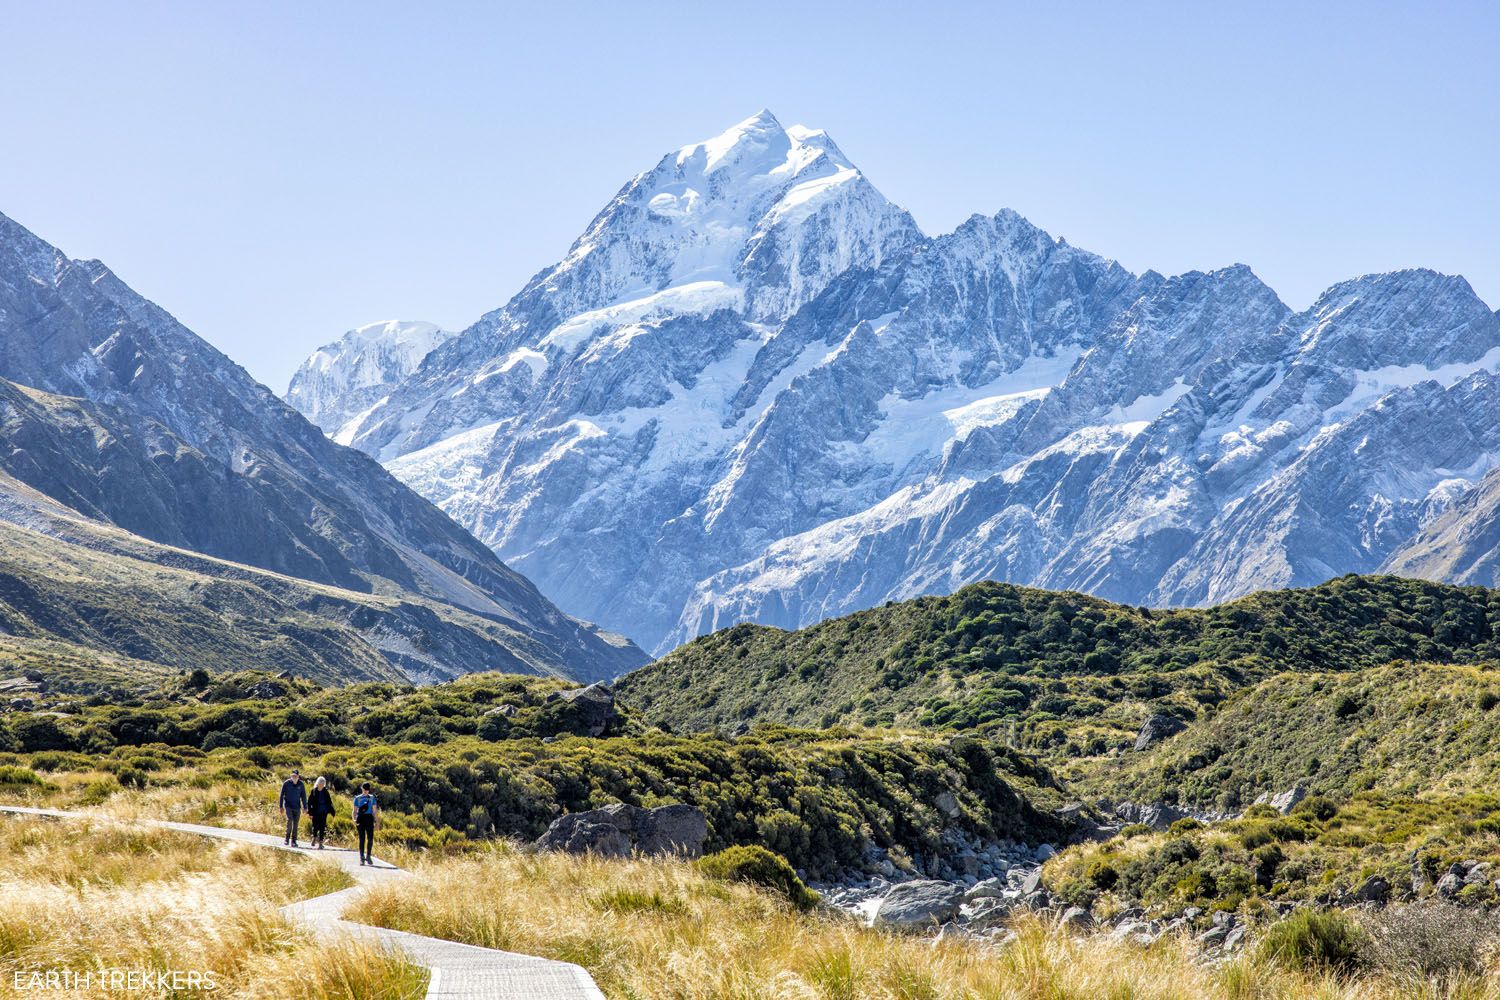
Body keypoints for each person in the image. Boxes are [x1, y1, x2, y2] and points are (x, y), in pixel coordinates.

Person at [279, 768, 308, 847]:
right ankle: (286, 839)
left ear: (298, 776)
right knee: (290, 821)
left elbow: (304, 796)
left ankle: (294, 841)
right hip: (288, 806)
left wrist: (305, 807)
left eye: (295, 776)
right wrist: (281, 806)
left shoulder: (301, 784)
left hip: (297, 807)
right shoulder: (286, 783)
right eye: (293, 776)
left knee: (296, 824)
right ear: (291, 776)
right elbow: (281, 795)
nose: (294, 777)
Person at [352, 782, 379, 866]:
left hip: (369, 818)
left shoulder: (372, 798)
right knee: (362, 839)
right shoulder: (357, 798)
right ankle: (361, 857)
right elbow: (355, 810)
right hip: (360, 818)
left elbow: (374, 811)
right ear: (362, 789)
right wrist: (354, 819)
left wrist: (377, 822)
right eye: (365, 789)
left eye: (367, 790)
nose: (366, 791)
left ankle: (368, 856)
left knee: (370, 838)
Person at [307, 776, 334, 850]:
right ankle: (314, 837)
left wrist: (331, 811)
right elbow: (309, 802)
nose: (321, 784)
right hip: (315, 812)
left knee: (322, 827)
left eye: (323, 783)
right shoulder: (314, 791)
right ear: (317, 783)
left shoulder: (325, 792)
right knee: (315, 826)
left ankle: (320, 843)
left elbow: (329, 802)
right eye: (320, 783)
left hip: (323, 812)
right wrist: (310, 813)